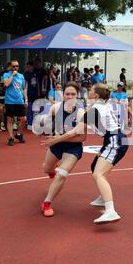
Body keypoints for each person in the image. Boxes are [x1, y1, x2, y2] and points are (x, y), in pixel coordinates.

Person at [42, 83, 129, 224]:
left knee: (98, 174)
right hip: (113, 139)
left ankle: (110, 211)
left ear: (96, 95)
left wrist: (56, 139)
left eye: (91, 90)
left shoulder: (93, 110)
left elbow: (76, 132)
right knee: (95, 167)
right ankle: (103, 197)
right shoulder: (101, 106)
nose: (89, 91)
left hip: (114, 140)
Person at [35, 82, 85, 217]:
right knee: (46, 169)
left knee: (62, 173)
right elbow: (42, 121)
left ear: (77, 96)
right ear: (63, 95)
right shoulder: (55, 108)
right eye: (67, 94)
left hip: (73, 147)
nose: (70, 96)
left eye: (73, 94)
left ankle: (46, 203)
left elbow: (82, 138)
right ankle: (51, 170)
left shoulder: (81, 113)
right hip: (56, 144)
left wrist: (59, 138)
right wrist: (41, 126)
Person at [4, 60, 28, 146]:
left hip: (20, 101)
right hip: (10, 101)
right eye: (13, 66)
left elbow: (24, 88)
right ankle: (11, 137)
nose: (15, 68)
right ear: (10, 67)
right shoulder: (6, 75)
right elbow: (6, 84)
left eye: (17, 66)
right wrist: (12, 75)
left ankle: (18, 134)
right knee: (10, 120)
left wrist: (26, 99)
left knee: (23, 119)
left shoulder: (21, 76)